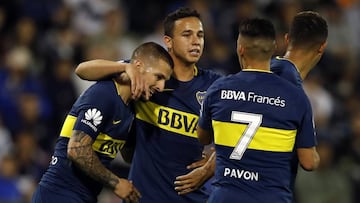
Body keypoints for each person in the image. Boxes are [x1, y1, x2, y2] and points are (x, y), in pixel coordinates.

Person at [75, 7, 222, 202]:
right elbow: (83, 70)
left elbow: (243, 132)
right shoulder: (149, 74)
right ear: (168, 41)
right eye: (187, 34)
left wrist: (211, 166)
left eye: (200, 35)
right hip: (143, 196)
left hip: (191, 197)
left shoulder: (215, 85)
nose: (196, 41)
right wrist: (124, 66)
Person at [173, 10, 328, 196]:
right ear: (322, 47)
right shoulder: (286, 84)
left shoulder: (273, 69)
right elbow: (250, 130)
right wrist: (207, 171)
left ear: (287, 39)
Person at [31, 42, 174, 203]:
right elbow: (77, 150)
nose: (161, 87)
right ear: (138, 67)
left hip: (83, 196)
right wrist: (116, 183)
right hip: (59, 194)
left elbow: (128, 155)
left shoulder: (130, 108)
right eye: (158, 77)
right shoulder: (104, 95)